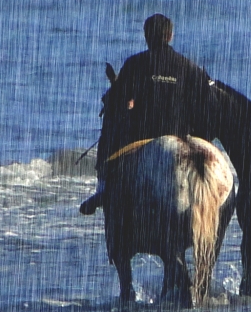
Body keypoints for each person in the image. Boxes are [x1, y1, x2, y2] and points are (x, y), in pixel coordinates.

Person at [80, 14, 216, 214]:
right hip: (180, 136)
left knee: (109, 132)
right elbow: (209, 107)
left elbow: (117, 104)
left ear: (146, 36)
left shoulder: (135, 64)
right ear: (170, 36)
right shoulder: (189, 67)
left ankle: (103, 190)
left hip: (141, 138)